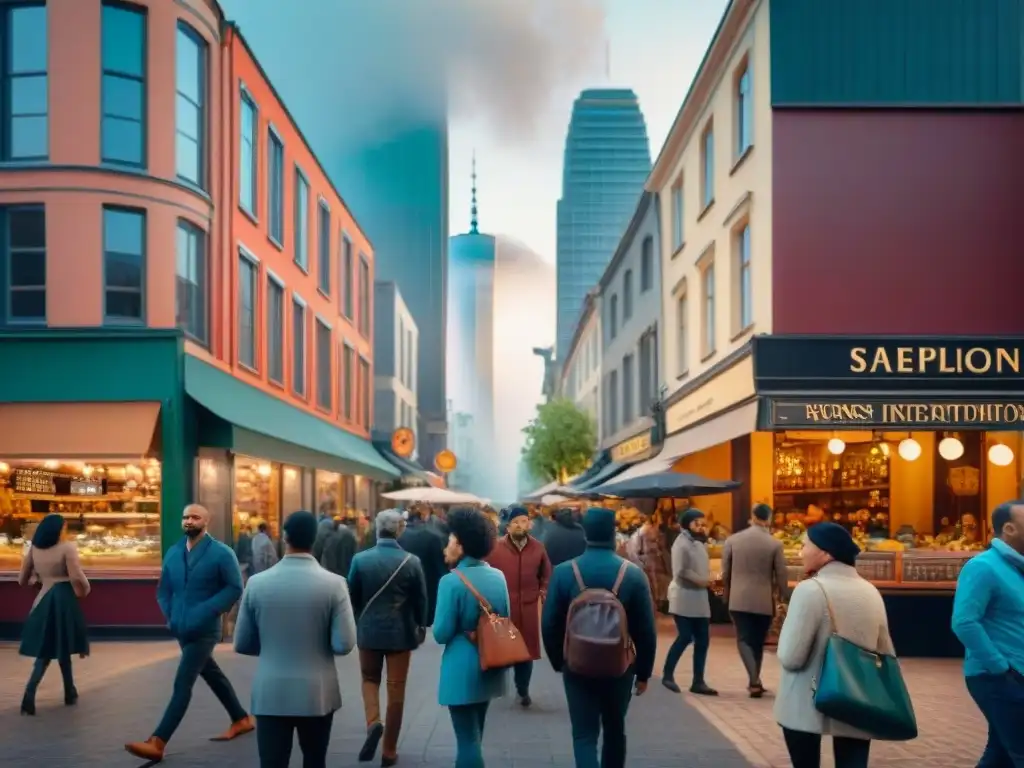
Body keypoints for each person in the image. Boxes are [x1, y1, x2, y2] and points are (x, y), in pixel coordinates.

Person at [125, 504, 253, 762]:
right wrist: (170, 613)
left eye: (195, 517)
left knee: (182, 683)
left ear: (207, 521)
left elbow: (234, 587)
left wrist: (207, 611)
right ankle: (241, 718)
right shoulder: (173, 553)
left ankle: (158, 741)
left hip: (205, 630)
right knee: (212, 674)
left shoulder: (221, 553)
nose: (188, 521)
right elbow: (163, 590)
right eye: (185, 517)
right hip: (181, 627)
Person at [234, 510, 357, 768]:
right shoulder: (334, 584)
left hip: (270, 691)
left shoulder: (257, 583)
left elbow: (242, 643)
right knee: (314, 760)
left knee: (272, 762)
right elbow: (344, 644)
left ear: (285, 537)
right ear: (314, 539)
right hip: (317, 692)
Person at [542, 507, 657, 768]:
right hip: (620, 667)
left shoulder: (564, 572)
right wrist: (644, 673)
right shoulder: (632, 574)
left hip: (577, 666)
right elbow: (645, 630)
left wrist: (560, 661)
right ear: (613, 533)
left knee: (584, 734)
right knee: (615, 730)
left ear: (585, 534)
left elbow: (549, 624)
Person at [775, 522, 895, 768]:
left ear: (825, 553)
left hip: (807, 699)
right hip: (857, 696)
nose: (801, 552)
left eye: (805, 545)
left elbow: (792, 657)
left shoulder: (809, 591)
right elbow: (885, 649)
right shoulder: (871, 591)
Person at [348, 510, 429, 766]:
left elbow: (352, 595)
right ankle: (389, 750)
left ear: (376, 529)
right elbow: (421, 599)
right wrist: (421, 625)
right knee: (396, 689)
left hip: (369, 630)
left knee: (369, 679)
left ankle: (373, 721)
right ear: (400, 530)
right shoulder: (411, 561)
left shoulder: (360, 560)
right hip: (400, 633)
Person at [432, 506, 510, 768]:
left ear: (461, 544)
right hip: (491, 660)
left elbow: (441, 633)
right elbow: (505, 617)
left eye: (452, 537)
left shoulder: (451, 581)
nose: (448, 542)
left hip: (461, 664)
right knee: (476, 734)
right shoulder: (498, 576)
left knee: (467, 740)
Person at [952, 502, 1024, 767]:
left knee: (1001, 755)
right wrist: (1000, 668)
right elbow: (964, 622)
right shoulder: (983, 567)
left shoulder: (1017, 568)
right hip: (998, 677)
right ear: (1009, 529)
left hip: (1015, 674)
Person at [17, 513, 90, 716]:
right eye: (64, 527)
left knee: (51, 648)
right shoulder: (67, 547)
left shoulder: (34, 549)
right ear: (58, 530)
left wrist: (39, 579)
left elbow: (22, 579)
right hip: (63, 601)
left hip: (42, 601)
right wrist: (85, 590)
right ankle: (58, 692)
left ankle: (63, 691)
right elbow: (76, 575)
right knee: (58, 645)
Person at [484, 505, 551, 706]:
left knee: (526, 653)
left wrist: (543, 591)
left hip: (529, 608)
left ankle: (523, 690)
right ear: (508, 527)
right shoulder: (495, 549)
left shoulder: (538, 548)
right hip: (503, 608)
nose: (520, 526)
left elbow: (546, 574)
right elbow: (485, 573)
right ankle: (491, 688)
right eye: (515, 522)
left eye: (523, 521)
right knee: (501, 650)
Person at [722, 503, 789, 697]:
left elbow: (723, 573)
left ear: (752, 516)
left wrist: (720, 595)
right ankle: (755, 681)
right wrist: (785, 595)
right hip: (763, 600)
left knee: (743, 638)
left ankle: (754, 680)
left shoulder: (732, 540)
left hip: (738, 599)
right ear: (769, 519)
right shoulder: (775, 543)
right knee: (758, 641)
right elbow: (781, 574)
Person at [663, 509, 717, 695]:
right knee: (685, 636)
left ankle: (698, 681)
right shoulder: (681, 544)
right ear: (687, 524)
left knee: (703, 640)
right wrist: (703, 581)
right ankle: (667, 675)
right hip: (683, 597)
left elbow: (702, 568)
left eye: (703, 523)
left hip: (700, 598)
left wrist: (712, 581)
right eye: (697, 523)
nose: (701, 527)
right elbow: (681, 572)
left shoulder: (699, 543)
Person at [398, 504, 447, 626]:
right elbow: (441, 570)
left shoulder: (399, 537)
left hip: (403, 594)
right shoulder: (434, 536)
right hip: (429, 592)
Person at [321, 513, 359, 579]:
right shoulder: (349, 533)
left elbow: (329, 558)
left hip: (334, 574)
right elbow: (354, 551)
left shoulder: (331, 536)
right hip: (347, 572)